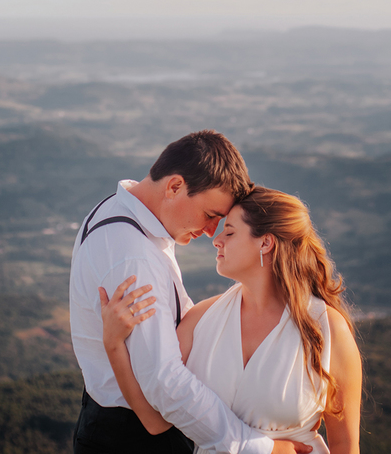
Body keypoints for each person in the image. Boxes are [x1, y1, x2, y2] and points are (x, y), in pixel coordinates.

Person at [69, 130, 314, 454]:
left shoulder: (121, 213)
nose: (212, 232)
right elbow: (165, 383)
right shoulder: (135, 259)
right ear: (174, 186)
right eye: (211, 215)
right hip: (135, 438)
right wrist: (261, 448)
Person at [100, 186, 363, 454]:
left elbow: (345, 444)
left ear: (265, 242)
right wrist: (113, 343)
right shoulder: (200, 320)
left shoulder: (327, 328)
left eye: (230, 231)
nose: (216, 240)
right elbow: (154, 419)